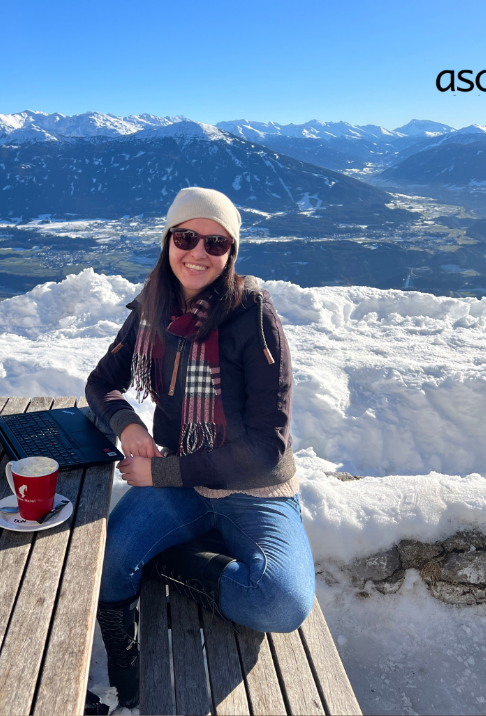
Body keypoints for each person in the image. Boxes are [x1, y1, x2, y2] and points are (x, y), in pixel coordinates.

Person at [85, 187, 316, 708]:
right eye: (187, 237)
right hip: (183, 483)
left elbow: (266, 447)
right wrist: (127, 427)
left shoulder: (253, 317)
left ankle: (170, 562)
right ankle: (127, 679)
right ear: (168, 240)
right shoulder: (152, 309)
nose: (199, 253)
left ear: (232, 254)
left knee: (281, 604)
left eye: (217, 243)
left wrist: (161, 476)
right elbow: (101, 384)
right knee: (109, 560)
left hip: (254, 493)